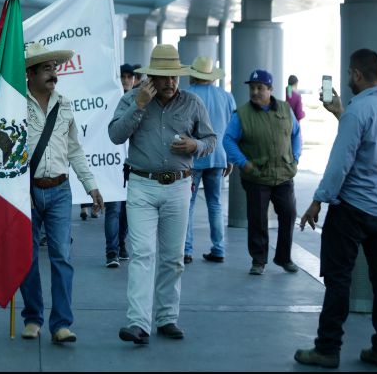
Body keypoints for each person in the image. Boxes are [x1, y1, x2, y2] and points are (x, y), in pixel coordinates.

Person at [109, 44, 216, 345]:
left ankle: (167, 317)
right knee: (143, 254)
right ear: (151, 76)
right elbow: (115, 135)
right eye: (163, 77)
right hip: (142, 185)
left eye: (174, 77)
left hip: (180, 186)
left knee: (173, 257)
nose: (170, 83)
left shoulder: (193, 103)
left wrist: (196, 146)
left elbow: (211, 139)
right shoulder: (132, 98)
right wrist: (139, 105)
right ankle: (138, 323)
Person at [295, 48, 377, 368]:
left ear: (357, 74)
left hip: (350, 210)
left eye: (350, 74)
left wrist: (317, 200)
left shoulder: (358, 111)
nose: (349, 79)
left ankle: (327, 348)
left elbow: (340, 164)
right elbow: (370, 147)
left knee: (338, 280)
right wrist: (339, 113)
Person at [20, 43, 104, 344]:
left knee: (62, 257)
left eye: (54, 67)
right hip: (26, 191)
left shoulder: (65, 105)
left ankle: (61, 324)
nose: (53, 73)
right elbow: (5, 151)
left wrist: (91, 185)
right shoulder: (15, 104)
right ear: (29, 74)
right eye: (46, 68)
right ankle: (32, 318)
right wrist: (14, 187)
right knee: (26, 258)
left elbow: (74, 150)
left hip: (60, 191)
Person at [223, 69, 302, 275]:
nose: (255, 92)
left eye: (260, 88)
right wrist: (242, 162)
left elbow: (296, 134)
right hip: (257, 175)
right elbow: (228, 139)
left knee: (289, 213)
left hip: (284, 174)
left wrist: (295, 157)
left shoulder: (285, 109)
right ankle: (258, 260)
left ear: (270, 89)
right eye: (252, 88)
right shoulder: (242, 114)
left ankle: (284, 258)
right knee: (257, 219)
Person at [183, 56, 236, 264]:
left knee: (188, 203)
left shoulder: (188, 95)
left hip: (193, 157)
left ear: (194, 75)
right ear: (212, 77)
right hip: (219, 156)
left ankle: (186, 250)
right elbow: (232, 130)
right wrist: (230, 157)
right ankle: (218, 249)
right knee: (215, 204)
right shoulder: (226, 96)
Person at [103, 63, 140, 268]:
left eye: (129, 76)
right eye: (122, 76)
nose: (126, 80)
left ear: (134, 79)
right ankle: (111, 250)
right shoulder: (109, 98)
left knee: (126, 209)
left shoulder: (138, 99)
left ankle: (121, 243)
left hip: (130, 163)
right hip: (110, 162)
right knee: (113, 209)